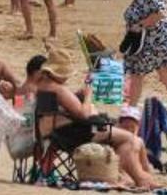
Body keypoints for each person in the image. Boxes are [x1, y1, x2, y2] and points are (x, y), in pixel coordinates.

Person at [34, 47, 157, 189]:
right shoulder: (58, 88)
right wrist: (88, 94)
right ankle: (138, 178)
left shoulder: (44, 85)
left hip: (58, 134)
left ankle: (132, 176)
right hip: (70, 135)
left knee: (124, 138)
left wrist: (76, 96)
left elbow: (61, 109)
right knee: (128, 138)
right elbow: (84, 115)